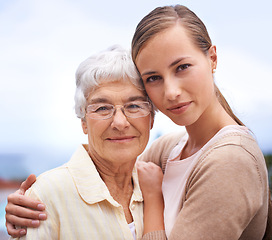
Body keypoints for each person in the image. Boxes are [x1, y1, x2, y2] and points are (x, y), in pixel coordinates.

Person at [5, 4, 271, 240]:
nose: (171, 92)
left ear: (212, 58)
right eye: (153, 77)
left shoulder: (230, 160)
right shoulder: (169, 150)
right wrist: (34, 199)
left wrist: (154, 199)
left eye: (182, 67)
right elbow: (107, 170)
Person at [6, 45, 162, 240]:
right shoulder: (47, 195)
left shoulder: (161, 186)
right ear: (84, 122)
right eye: (102, 108)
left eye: (134, 106)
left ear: (152, 119)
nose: (120, 123)